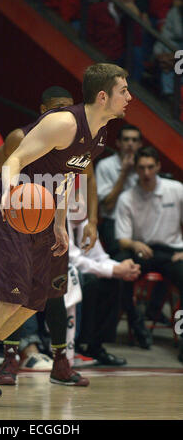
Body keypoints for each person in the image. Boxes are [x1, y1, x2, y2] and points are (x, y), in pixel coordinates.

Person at [0, 62, 132, 400]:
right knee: (13, 291)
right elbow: (14, 161)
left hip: (42, 211)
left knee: (35, 299)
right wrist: (9, 197)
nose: (129, 97)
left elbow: (63, 177)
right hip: (10, 204)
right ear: (103, 96)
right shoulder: (63, 122)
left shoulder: (100, 135)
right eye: (124, 90)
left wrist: (59, 222)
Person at [0, 86, 97, 387]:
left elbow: (86, 176)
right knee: (15, 293)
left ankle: (61, 363)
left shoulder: (74, 139)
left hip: (52, 224)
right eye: (58, 108)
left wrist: (93, 220)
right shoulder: (20, 138)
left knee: (55, 292)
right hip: (19, 223)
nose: (65, 114)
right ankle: (10, 357)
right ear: (43, 110)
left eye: (69, 108)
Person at [115, 146, 183, 360]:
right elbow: (122, 238)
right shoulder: (127, 197)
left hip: (173, 252)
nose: (146, 173)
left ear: (158, 167)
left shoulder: (177, 189)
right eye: (141, 168)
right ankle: (137, 326)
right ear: (135, 169)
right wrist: (135, 245)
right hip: (143, 250)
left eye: (150, 167)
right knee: (122, 270)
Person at [68, 211, 140, 365]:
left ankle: (96, 346)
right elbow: (72, 260)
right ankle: (77, 345)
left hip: (81, 271)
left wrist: (121, 268)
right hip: (58, 272)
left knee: (112, 281)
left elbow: (99, 256)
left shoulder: (82, 220)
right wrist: (114, 270)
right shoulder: (58, 218)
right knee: (91, 281)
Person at [96, 124, 142, 257]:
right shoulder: (105, 166)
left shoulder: (145, 167)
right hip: (113, 222)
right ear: (118, 143)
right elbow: (108, 206)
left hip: (141, 223)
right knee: (125, 256)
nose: (130, 144)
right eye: (126, 139)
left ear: (140, 144)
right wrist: (124, 173)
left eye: (134, 140)